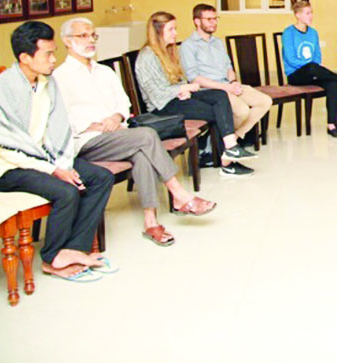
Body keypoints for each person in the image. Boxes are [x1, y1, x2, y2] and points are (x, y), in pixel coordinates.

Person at [54, 17, 216, 247]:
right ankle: (179, 195)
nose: (90, 40)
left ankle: (151, 222)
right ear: (67, 41)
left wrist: (116, 117)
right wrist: (95, 124)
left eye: (93, 35)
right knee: (147, 135)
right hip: (88, 139)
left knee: (141, 153)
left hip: (119, 133)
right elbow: (61, 117)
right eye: (83, 36)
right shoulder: (60, 76)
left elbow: (124, 103)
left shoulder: (104, 72)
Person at [0, 22, 115, 282]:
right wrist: (55, 170)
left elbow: (55, 127)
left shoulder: (47, 82)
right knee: (66, 191)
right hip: (9, 169)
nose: (54, 59)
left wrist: (62, 163)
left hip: (44, 158)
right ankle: (52, 258)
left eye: (54, 52)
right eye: (48, 54)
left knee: (101, 178)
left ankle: (74, 248)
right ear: (25, 57)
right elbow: (5, 147)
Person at [134, 12, 254, 177]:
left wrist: (183, 89)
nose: (176, 33)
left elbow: (176, 80)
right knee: (219, 111)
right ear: (158, 31)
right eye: (171, 29)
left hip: (175, 97)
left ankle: (230, 147)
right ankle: (227, 161)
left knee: (220, 95)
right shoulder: (147, 56)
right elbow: (156, 95)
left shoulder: (167, 51)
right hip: (162, 106)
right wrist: (184, 88)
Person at [180, 3, 272, 147]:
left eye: (215, 18)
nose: (214, 22)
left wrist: (234, 82)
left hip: (228, 84)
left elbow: (228, 67)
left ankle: (233, 137)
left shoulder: (218, 42)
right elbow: (194, 78)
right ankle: (224, 139)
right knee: (242, 112)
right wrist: (225, 88)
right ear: (197, 21)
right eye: (209, 19)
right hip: (211, 90)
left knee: (265, 101)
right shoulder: (188, 46)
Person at [283, 0, 337, 137]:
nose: (311, 16)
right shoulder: (288, 33)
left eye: (311, 13)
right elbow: (291, 59)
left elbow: (317, 57)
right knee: (312, 67)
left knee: (331, 84)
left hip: (313, 72)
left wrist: (314, 68)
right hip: (295, 75)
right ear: (297, 15)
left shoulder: (313, 33)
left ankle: (331, 125)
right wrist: (311, 67)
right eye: (307, 13)